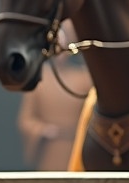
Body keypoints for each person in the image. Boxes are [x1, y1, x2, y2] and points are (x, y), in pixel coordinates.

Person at [18, 21, 92, 171]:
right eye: (55, 47)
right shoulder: (39, 79)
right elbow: (26, 120)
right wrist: (42, 130)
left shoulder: (84, 78)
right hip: (49, 151)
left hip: (76, 147)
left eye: (63, 46)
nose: (59, 51)